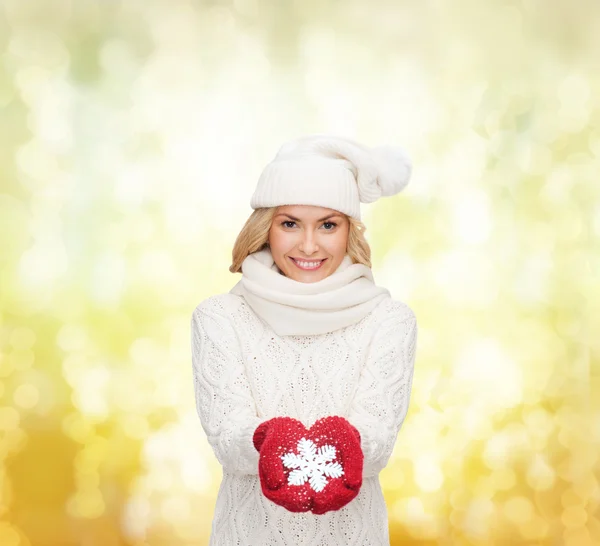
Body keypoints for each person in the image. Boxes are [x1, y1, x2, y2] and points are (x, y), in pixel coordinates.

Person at [190, 134, 419, 545]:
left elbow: (378, 440)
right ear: (266, 228)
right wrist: (268, 442)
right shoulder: (221, 317)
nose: (309, 245)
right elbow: (227, 435)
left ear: (349, 230)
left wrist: (333, 447)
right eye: (290, 223)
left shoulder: (388, 320)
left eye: (328, 225)